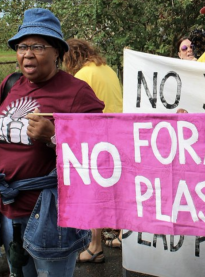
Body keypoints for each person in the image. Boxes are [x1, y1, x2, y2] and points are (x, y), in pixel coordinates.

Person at [0, 8, 104, 277]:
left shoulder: (77, 92)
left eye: (37, 46)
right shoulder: (11, 85)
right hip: (9, 210)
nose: (27, 53)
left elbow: (102, 152)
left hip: (51, 217)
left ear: (57, 51)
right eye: (22, 46)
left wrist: (54, 137)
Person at [63, 38, 123, 263]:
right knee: (115, 190)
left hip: (97, 139)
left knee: (93, 192)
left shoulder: (82, 76)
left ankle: (95, 246)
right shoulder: (107, 69)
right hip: (118, 135)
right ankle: (122, 236)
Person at [63, 38, 123, 113]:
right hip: (119, 121)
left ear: (71, 59)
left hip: (100, 122)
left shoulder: (82, 75)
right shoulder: (109, 69)